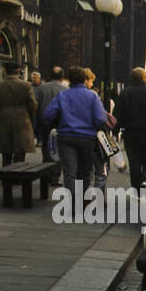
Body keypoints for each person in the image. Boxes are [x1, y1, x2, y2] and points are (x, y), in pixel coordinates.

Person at [43, 65, 108, 200]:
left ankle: (72, 199)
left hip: (66, 136)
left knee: (70, 171)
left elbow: (48, 115)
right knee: (85, 170)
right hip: (87, 138)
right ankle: (82, 198)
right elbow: (101, 119)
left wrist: (59, 122)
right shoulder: (92, 96)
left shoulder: (62, 95)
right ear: (84, 79)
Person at [113, 67, 146, 192]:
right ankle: (144, 180)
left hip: (131, 133)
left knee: (134, 160)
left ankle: (136, 185)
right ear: (145, 77)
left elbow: (118, 115)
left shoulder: (125, 93)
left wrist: (115, 132)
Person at [0, 60, 36, 166]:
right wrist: (31, 117)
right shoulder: (26, 85)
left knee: (6, 151)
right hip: (22, 119)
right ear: (18, 71)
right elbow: (32, 104)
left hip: (4, 119)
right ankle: (18, 174)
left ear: (5, 71)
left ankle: (6, 177)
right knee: (20, 151)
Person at [34, 66, 65, 162]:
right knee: (58, 147)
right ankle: (56, 171)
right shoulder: (65, 90)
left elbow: (36, 104)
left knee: (46, 147)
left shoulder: (41, 88)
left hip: (45, 123)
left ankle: (46, 169)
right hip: (60, 124)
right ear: (62, 77)